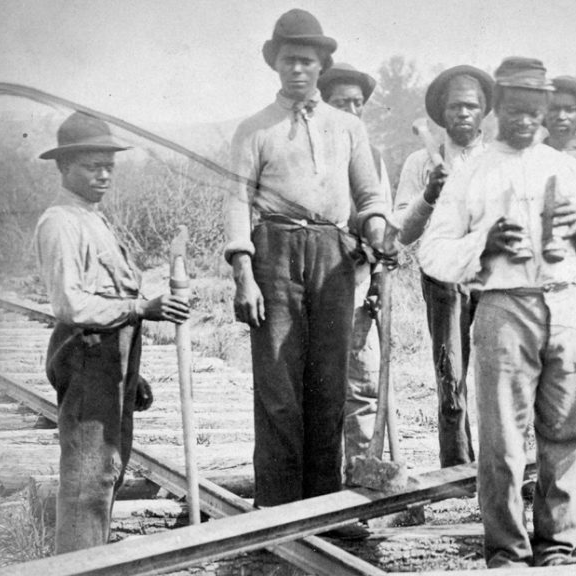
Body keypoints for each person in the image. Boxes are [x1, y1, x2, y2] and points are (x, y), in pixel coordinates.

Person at [419, 57, 576, 568]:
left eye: (535, 112)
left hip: (570, 306)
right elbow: (432, 252)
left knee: (568, 434)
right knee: (503, 441)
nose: (525, 121)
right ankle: (505, 551)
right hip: (505, 308)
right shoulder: (473, 171)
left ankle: (557, 547)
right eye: (515, 110)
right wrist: (483, 244)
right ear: (497, 108)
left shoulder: (568, 169)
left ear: (546, 111)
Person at [223, 9, 394, 538]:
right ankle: (277, 514)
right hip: (273, 253)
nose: (298, 70)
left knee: (329, 384)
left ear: (322, 66)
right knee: (278, 384)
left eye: (308, 61)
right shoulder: (254, 129)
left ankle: (325, 510)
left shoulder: (347, 127)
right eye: (289, 60)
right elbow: (236, 202)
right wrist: (243, 274)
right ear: (276, 64)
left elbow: (368, 195)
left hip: (333, 255)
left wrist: (378, 227)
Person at [35, 112, 190, 552]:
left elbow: (106, 297)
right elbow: (71, 304)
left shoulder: (93, 218)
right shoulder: (61, 221)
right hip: (86, 363)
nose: (103, 174)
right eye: (91, 165)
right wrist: (142, 307)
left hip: (108, 365)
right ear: (64, 168)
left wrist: (129, 370)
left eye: (109, 166)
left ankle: (93, 562)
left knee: (106, 473)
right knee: (88, 481)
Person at [392, 64, 494, 468]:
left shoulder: (501, 161)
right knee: (451, 375)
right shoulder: (421, 162)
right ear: (442, 113)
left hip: (493, 279)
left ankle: (499, 467)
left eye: (471, 106)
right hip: (442, 280)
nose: (463, 114)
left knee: (499, 376)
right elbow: (402, 230)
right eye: (455, 107)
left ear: (484, 111)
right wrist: (430, 195)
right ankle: (455, 468)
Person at [318, 62, 392, 479]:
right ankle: (322, 486)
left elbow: (385, 228)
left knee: (363, 385)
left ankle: (361, 481)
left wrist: (380, 277)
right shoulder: (310, 157)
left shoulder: (372, 158)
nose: (351, 110)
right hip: (314, 283)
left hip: (360, 281)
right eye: (341, 102)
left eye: (358, 103)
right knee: (323, 388)